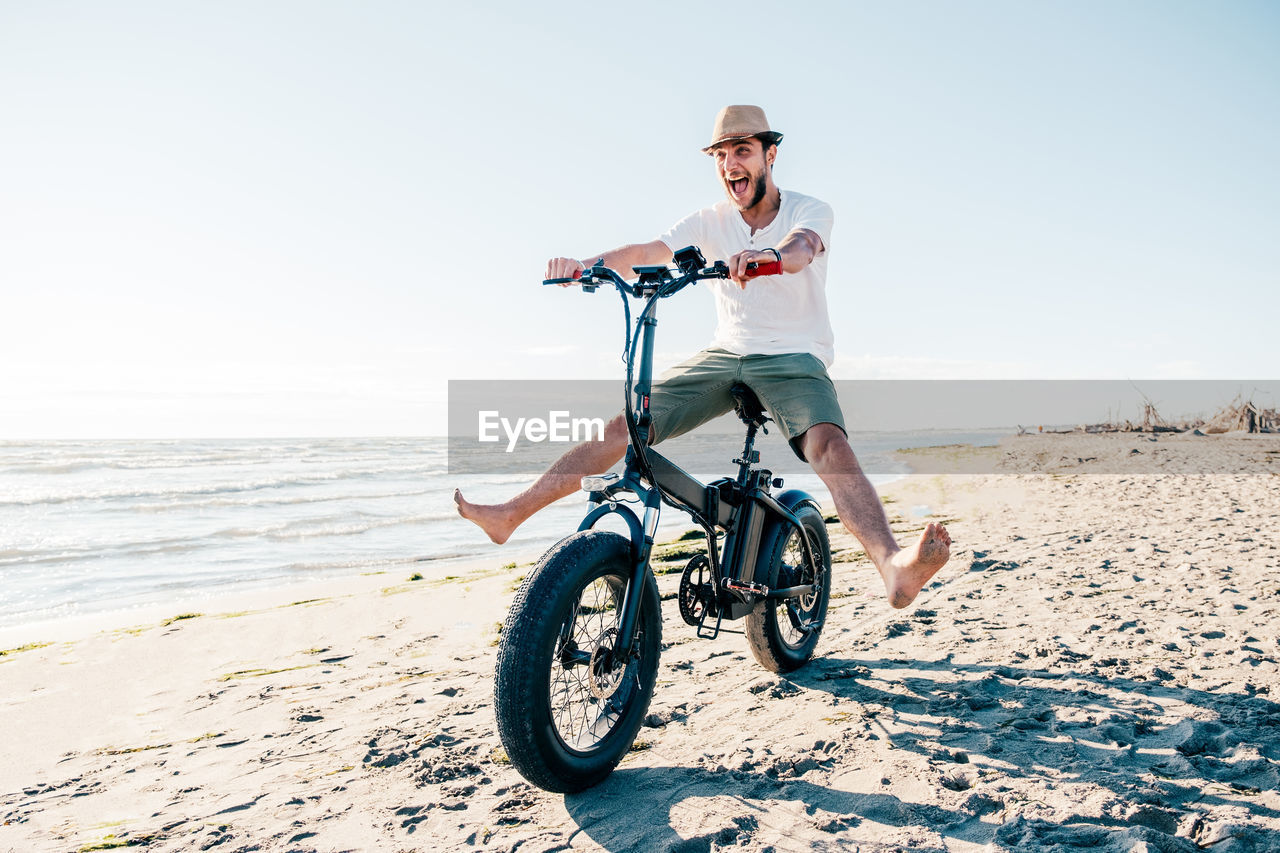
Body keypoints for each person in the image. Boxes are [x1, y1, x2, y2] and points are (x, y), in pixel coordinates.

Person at [455, 105, 950, 609]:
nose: (731, 163)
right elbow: (648, 250)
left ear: (769, 155)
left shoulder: (808, 210)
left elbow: (801, 248)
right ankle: (510, 515)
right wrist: (584, 266)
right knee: (626, 426)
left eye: (743, 150)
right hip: (724, 354)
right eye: (721, 154)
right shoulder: (709, 221)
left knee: (828, 446)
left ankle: (894, 567)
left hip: (792, 357)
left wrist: (769, 258)